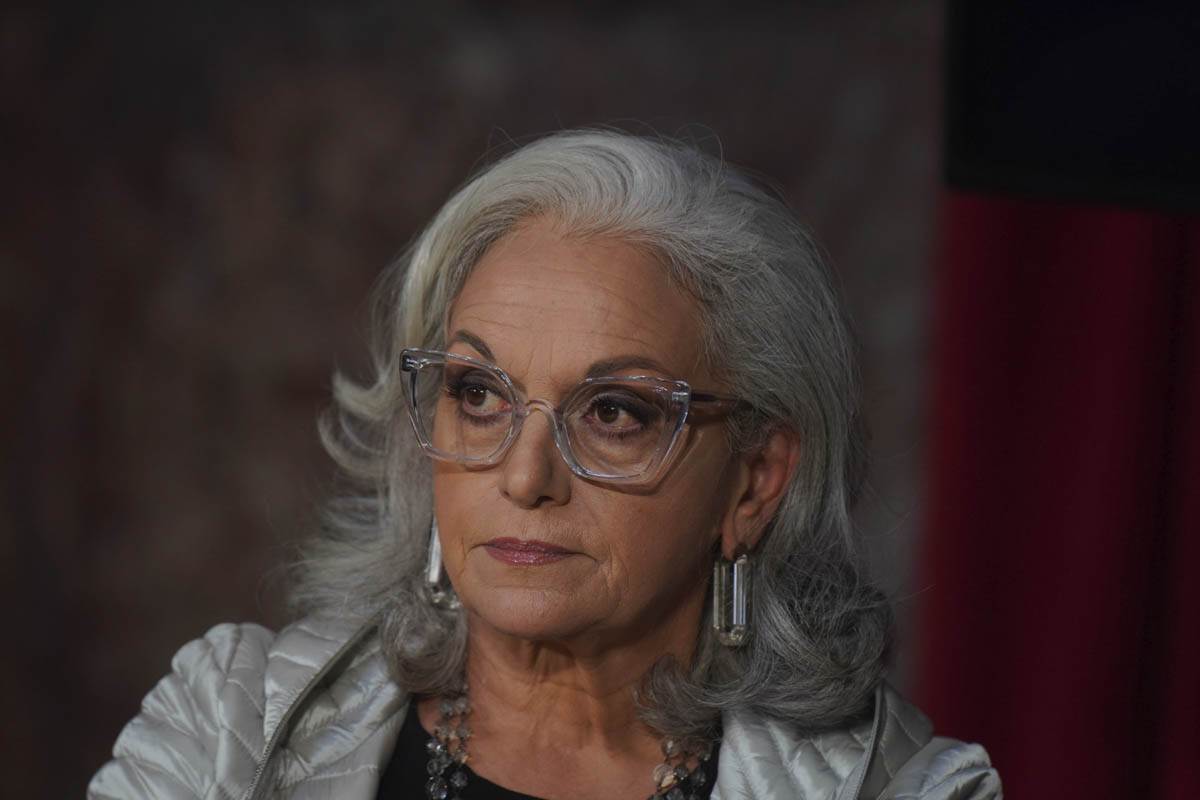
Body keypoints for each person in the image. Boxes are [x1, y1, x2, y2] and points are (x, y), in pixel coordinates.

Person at [89, 130, 1001, 800]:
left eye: (613, 413)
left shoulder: (908, 790)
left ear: (755, 482)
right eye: (479, 394)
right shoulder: (230, 728)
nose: (525, 478)